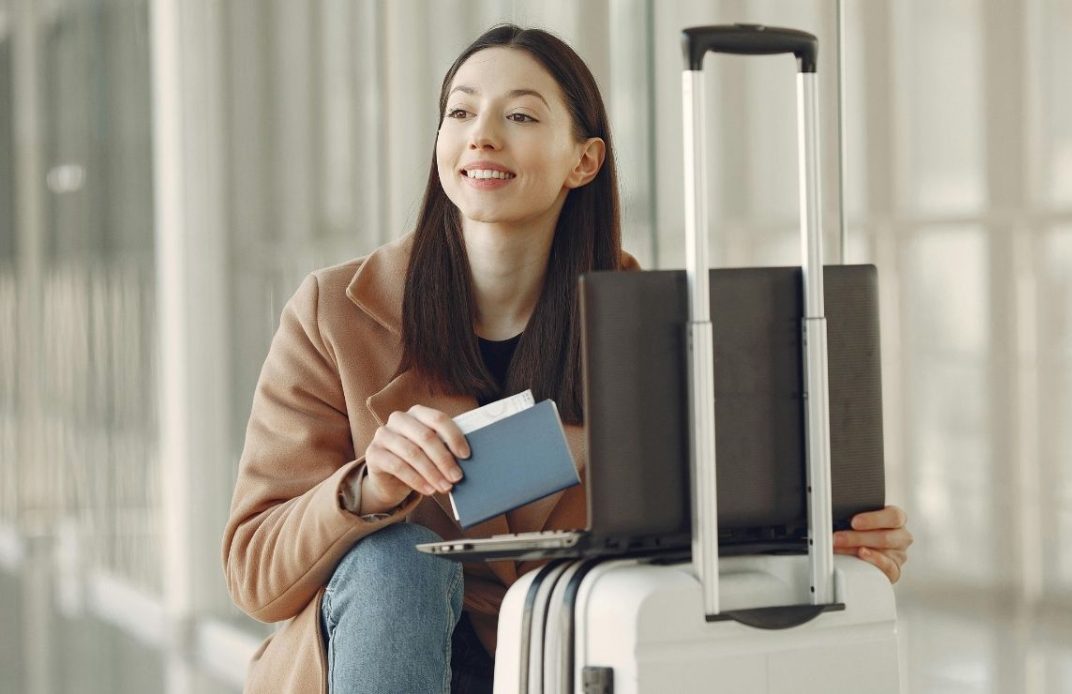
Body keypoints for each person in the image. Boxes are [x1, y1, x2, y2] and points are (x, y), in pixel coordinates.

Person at [221, 23, 913, 694]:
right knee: (396, 563)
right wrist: (365, 491)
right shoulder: (336, 311)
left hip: (554, 657)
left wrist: (820, 542)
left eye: (520, 116)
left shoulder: (653, 329)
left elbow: (699, 531)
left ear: (583, 160)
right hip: (385, 649)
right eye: (460, 111)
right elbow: (256, 573)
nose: (481, 135)